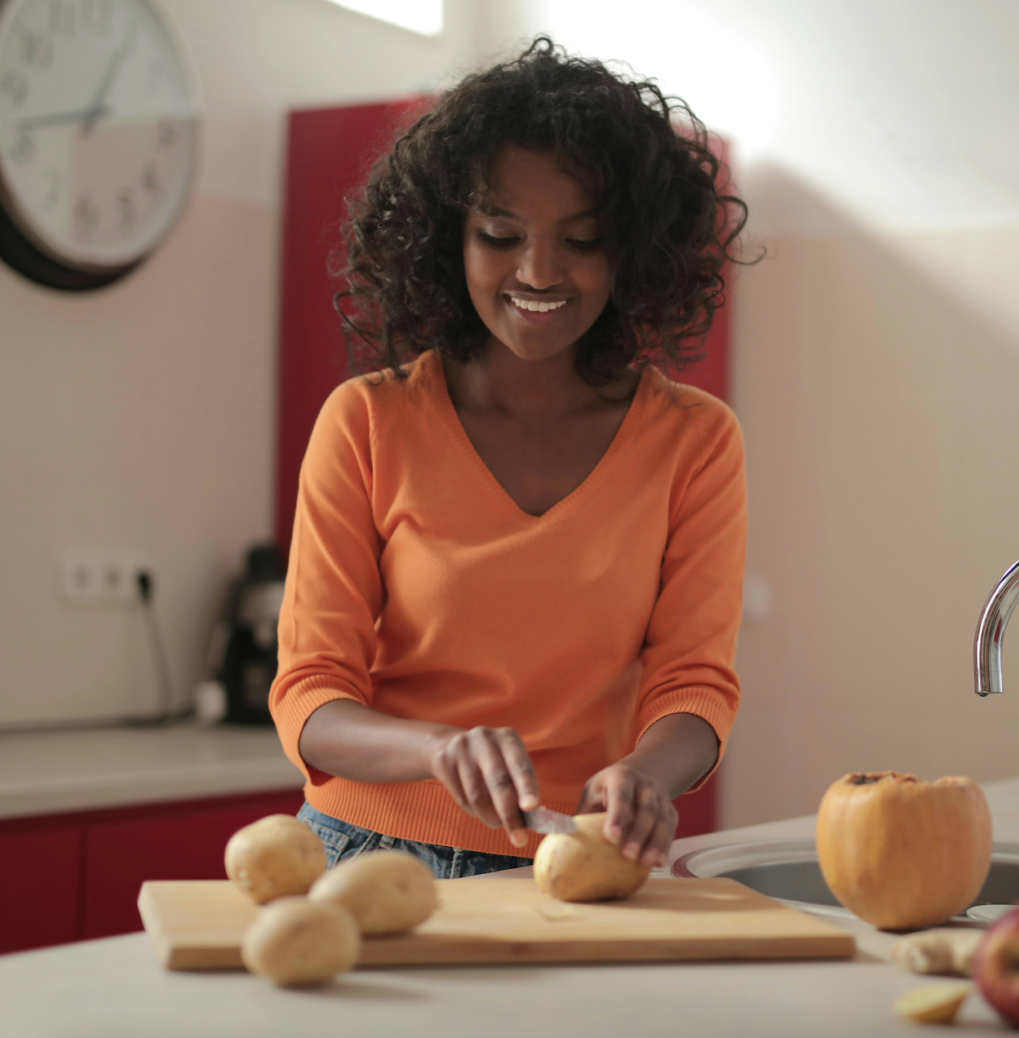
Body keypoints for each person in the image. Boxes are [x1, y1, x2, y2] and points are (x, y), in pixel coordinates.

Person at [270, 37, 749, 880]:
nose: (537, 271)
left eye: (583, 239)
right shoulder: (368, 423)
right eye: (500, 233)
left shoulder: (694, 440)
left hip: (570, 861)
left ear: (632, 251)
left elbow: (694, 684)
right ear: (447, 239)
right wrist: (437, 749)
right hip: (362, 855)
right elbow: (310, 694)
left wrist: (647, 774)